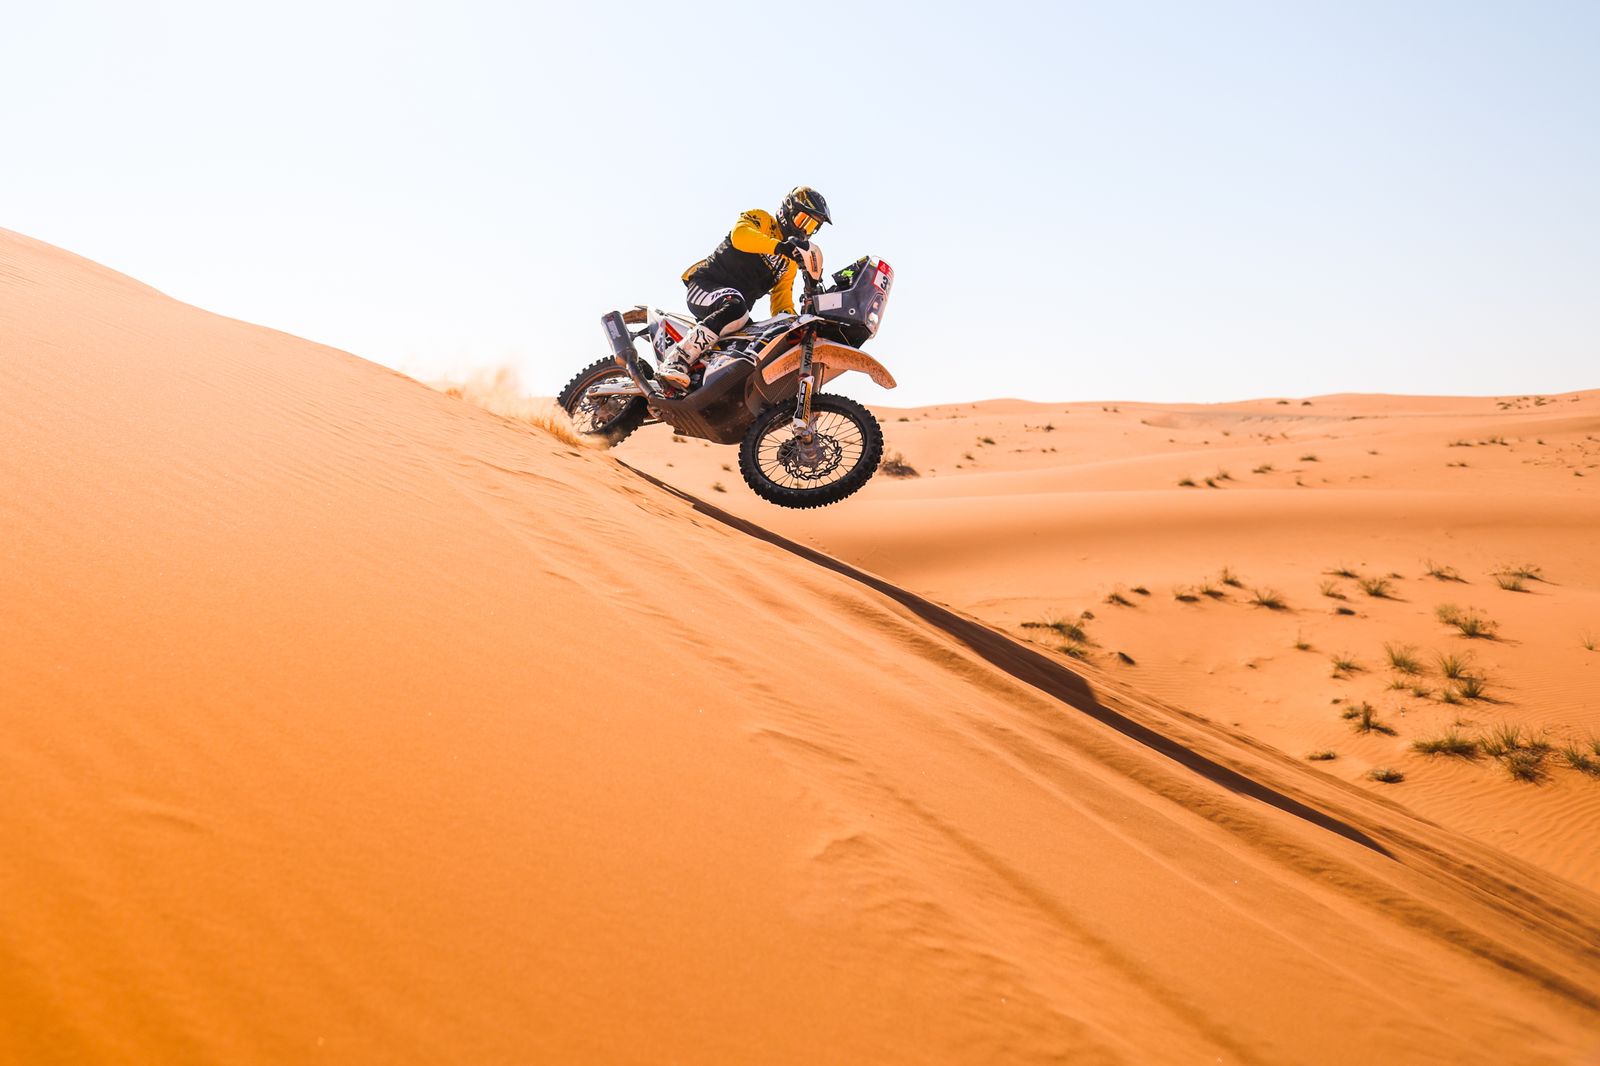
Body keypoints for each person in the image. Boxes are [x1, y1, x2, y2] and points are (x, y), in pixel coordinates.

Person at [656, 186, 831, 389]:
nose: (803, 230)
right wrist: (778, 246)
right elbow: (740, 236)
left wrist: (795, 326)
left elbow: (781, 305)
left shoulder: (788, 264)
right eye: (803, 220)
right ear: (788, 211)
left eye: (811, 227)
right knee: (736, 307)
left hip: (735, 311)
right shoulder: (762, 219)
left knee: (754, 348)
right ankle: (676, 360)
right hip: (705, 286)